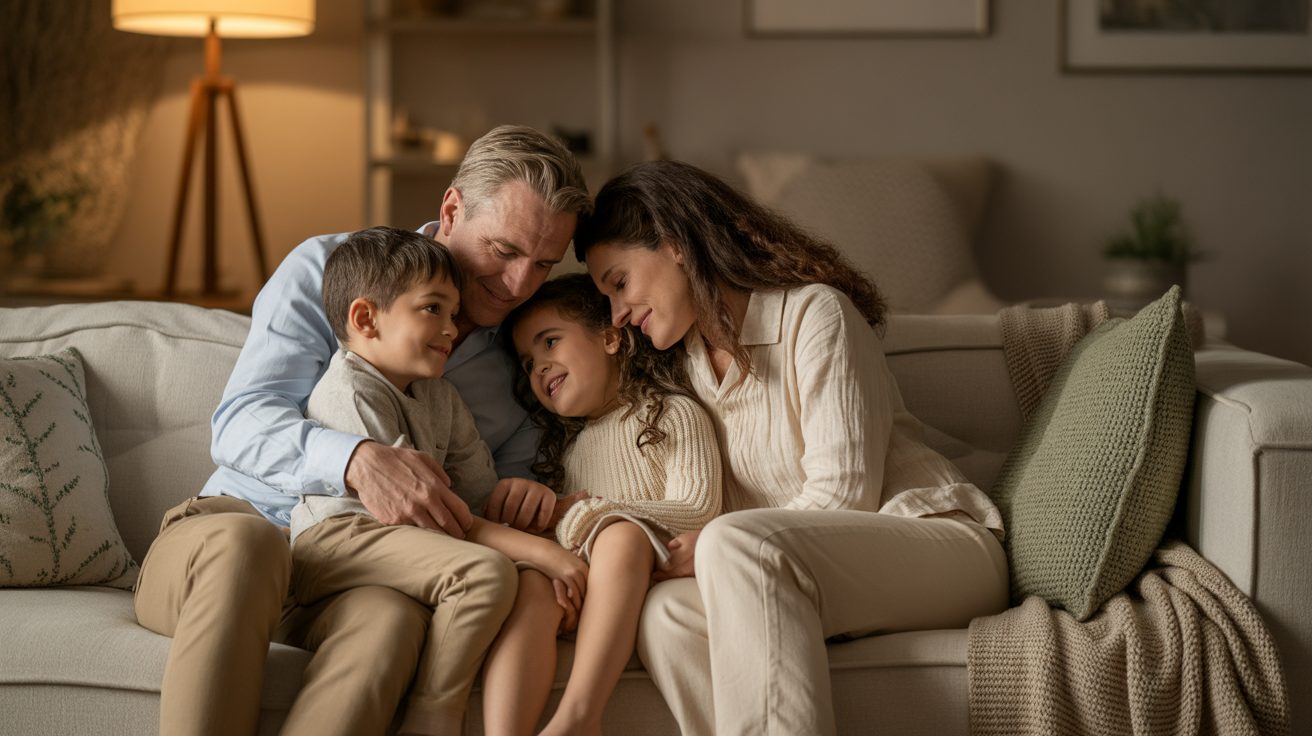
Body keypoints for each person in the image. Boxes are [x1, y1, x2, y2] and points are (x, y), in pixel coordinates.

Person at [131, 125, 590, 736]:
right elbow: (241, 423)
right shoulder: (331, 271)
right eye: (504, 252)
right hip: (232, 532)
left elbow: (497, 492)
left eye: (543, 265)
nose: (518, 285)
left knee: (392, 623)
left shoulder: (525, 350)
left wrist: (534, 500)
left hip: (352, 578)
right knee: (252, 547)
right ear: (452, 209)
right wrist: (355, 459)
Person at [573, 160, 1010, 736]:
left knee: (731, 541)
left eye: (620, 282)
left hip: (937, 544)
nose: (618, 314)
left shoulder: (814, 314)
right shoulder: (688, 370)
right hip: (803, 572)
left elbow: (845, 496)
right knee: (666, 614)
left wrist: (713, 544)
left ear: (675, 244)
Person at [288, 226, 589, 735]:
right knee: (485, 574)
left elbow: (478, 499)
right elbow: (441, 519)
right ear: (366, 319)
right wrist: (545, 554)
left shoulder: (441, 397)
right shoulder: (352, 388)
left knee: (497, 568)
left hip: (402, 546)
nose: (452, 328)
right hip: (334, 543)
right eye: (433, 309)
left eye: (454, 314)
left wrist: (552, 511)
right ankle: (434, 718)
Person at [479, 274, 722, 736]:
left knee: (621, 534)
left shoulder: (671, 413)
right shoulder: (560, 453)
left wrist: (592, 515)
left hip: (647, 572)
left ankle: (578, 717)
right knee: (531, 584)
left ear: (611, 338)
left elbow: (699, 508)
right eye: (529, 362)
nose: (540, 368)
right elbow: (564, 536)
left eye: (550, 342)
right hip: (583, 584)